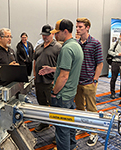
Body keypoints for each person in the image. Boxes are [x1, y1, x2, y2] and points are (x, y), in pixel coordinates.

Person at [39, 19, 83, 150]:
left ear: (65, 31)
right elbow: (69, 68)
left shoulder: (66, 48)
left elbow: (64, 77)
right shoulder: (76, 46)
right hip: (70, 94)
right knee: (69, 124)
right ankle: (72, 146)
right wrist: (52, 69)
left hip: (61, 96)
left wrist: (54, 93)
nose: (56, 36)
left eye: (57, 33)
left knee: (61, 128)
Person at [75, 18, 103, 146]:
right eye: (77, 27)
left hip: (89, 83)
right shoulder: (76, 43)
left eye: (80, 27)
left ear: (87, 27)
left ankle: (94, 132)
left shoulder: (95, 43)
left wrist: (95, 80)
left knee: (91, 109)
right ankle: (81, 125)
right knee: (79, 107)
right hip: (77, 83)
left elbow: (100, 64)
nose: (77, 29)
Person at [33, 24, 62, 132]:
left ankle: (58, 131)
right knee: (42, 104)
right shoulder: (38, 47)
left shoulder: (58, 47)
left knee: (54, 107)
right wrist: (35, 75)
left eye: (47, 35)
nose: (45, 37)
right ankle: (45, 123)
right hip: (39, 82)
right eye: (43, 35)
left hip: (51, 82)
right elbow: (35, 62)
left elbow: (62, 66)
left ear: (53, 34)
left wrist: (56, 80)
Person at [108, 33, 121, 99]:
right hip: (115, 62)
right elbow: (109, 52)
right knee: (113, 78)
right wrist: (117, 54)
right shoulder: (115, 44)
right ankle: (112, 93)